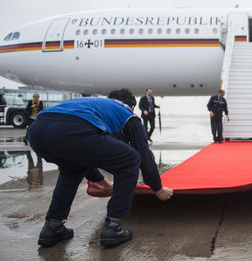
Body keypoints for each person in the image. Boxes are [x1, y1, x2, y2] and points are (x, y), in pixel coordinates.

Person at [28, 88, 173, 247]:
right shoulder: (127, 113)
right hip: (73, 128)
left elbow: (85, 156)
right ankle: (113, 227)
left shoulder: (94, 105)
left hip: (37, 131)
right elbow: (144, 156)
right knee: (131, 159)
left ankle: (52, 226)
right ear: (131, 106)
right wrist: (157, 189)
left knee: (72, 168)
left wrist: (104, 183)